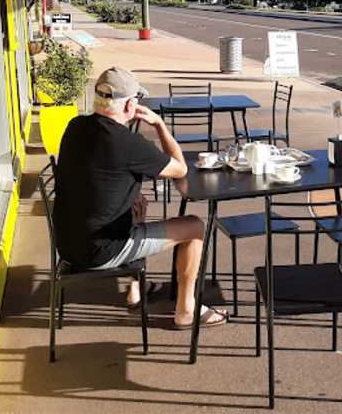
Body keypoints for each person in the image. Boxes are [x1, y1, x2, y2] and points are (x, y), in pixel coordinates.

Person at [53, 67, 226, 329]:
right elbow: (180, 168)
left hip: (67, 244)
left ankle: (136, 290)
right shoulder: (127, 143)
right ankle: (186, 310)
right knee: (194, 226)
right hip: (100, 250)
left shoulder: (75, 127)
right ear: (131, 105)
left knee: (135, 203)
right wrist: (159, 125)